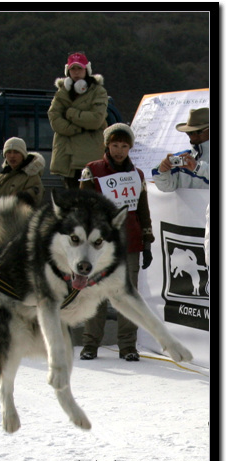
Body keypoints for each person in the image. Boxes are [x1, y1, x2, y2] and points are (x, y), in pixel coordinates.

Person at [79, 123, 155, 361]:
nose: (120, 151)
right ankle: (90, 344)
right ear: (107, 145)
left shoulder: (137, 175)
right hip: (99, 247)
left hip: (129, 243)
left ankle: (128, 346)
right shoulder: (92, 170)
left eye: (124, 146)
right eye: (115, 145)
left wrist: (147, 240)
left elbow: (143, 209)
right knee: (95, 295)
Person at [48, 51, 108, 189]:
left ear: (86, 70)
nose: (76, 72)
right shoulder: (61, 93)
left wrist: (70, 113)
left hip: (89, 157)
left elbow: (96, 120)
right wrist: (77, 127)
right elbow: (54, 118)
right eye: (72, 68)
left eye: (79, 68)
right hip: (66, 159)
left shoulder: (98, 91)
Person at [0, 137, 45, 224]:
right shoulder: (2, 176)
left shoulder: (31, 176)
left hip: (18, 226)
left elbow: (32, 201)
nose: (12, 156)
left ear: (23, 155)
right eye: (9, 152)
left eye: (16, 152)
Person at [152, 107, 209, 191]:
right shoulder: (181, 158)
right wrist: (162, 171)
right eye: (189, 132)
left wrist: (198, 168)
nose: (192, 136)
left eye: (198, 131)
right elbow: (167, 188)